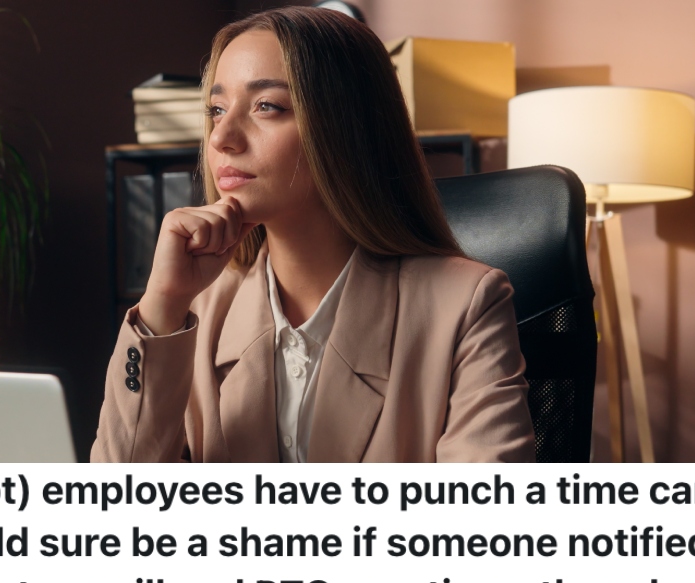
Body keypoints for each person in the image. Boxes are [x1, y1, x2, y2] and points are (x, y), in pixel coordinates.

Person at [92, 6, 534, 463]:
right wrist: (161, 308)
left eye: (267, 106)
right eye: (216, 109)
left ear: (346, 129)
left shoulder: (465, 304)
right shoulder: (194, 312)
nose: (222, 136)